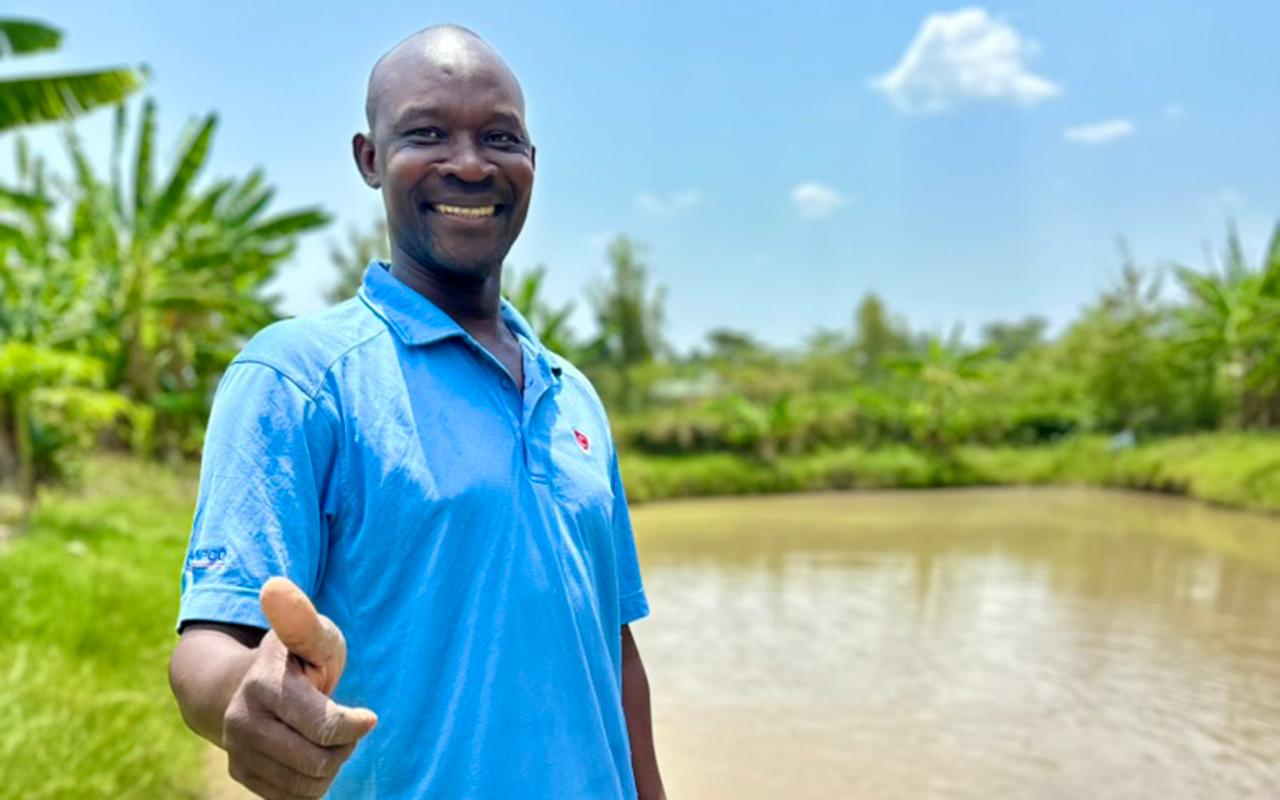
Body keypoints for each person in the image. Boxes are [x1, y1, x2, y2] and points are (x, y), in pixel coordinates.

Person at [168, 25, 667, 800]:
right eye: (427, 133)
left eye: (499, 137)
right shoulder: (298, 377)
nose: (469, 164)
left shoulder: (574, 394)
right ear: (370, 158)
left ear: (531, 164)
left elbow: (614, 650)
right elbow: (210, 642)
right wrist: (245, 696)